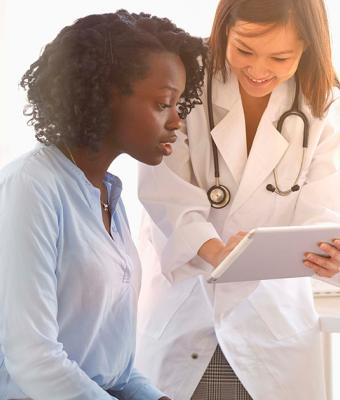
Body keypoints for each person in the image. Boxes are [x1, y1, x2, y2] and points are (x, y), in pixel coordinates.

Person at [134, 0, 340, 399]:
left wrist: (332, 253)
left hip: (271, 327)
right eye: (244, 50)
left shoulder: (321, 105)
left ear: (308, 47)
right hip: (187, 313)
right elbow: (165, 196)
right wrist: (213, 249)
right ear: (224, 28)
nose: (259, 70)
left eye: (280, 57)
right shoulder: (185, 82)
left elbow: (333, 211)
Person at [0, 10, 206, 400]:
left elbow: (116, 371)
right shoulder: (30, 188)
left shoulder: (107, 195)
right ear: (104, 95)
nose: (177, 121)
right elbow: (32, 358)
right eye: (164, 103)